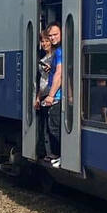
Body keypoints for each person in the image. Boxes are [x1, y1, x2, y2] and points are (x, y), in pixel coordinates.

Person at [42, 23, 62, 167]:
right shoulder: (57, 52)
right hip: (57, 95)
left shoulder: (60, 52)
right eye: (50, 35)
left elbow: (60, 74)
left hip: (57, 96)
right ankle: (58, 154)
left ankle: (62, 154)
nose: (52, 37)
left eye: (55, 34)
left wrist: (51, 95)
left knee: (54, 127)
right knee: (52, 126)